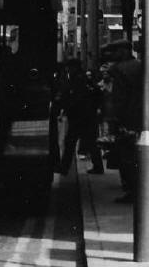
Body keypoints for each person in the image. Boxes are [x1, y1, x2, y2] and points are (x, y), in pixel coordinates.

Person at [100, 40, 142, 202]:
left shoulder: (118, 70)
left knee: (126, 157)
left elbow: (115, 98)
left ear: (124, 51)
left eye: (115, 51)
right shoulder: (140, 66)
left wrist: (112, 120)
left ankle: (131, 191)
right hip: (138, 118)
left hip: (125, 119)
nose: (112, 55)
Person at [56, 58, 103, 174]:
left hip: (79, 116)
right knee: (90, 142)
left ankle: (64, 167)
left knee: (70, 142)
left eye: (69, 67)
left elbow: (75, 97)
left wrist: (66, 106)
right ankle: (98, 166)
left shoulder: (77, 79)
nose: (67, 69)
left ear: (73, 67)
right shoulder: (84, 78)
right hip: (86, 115)